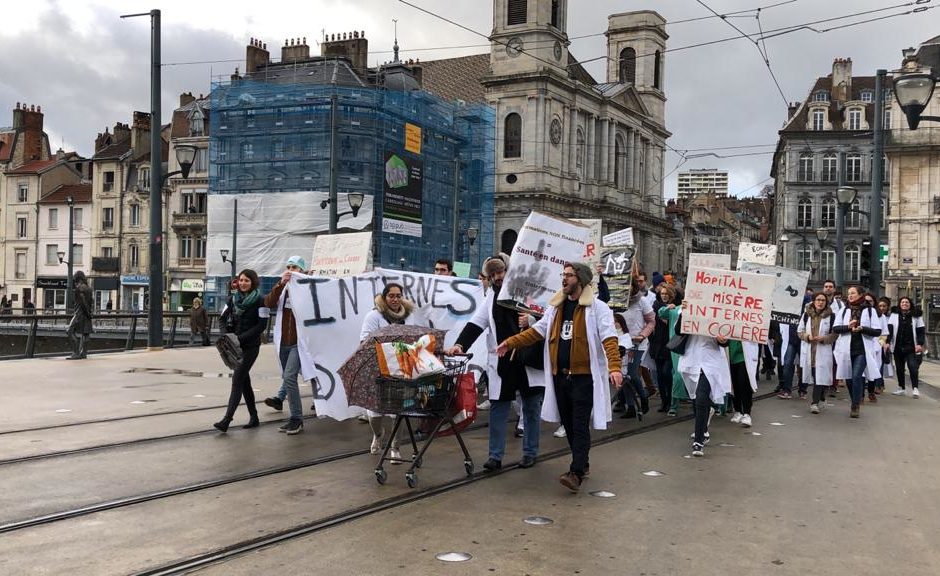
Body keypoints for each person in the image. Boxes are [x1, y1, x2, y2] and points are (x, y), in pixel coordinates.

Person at [496, 262, 623, 493]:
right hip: (559, 377)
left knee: (579, 424)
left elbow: (609, 339)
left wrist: (615, 367)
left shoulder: (598, 308)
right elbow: (537, 331)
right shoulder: (555, 307)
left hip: (584, 378)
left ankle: (575, 473)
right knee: (568, 423)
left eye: (569, 275)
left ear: (581, 280)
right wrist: (510, 342)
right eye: (563, 275)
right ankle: (582, 463)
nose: (564, 279)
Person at [445, 254, 545, 471]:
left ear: (508, 271)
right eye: (492, 274)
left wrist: (531, 319)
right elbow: (476, 323)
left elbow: (548, 316)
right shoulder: (491, 297)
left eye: (500, 272)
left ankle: (530, 452)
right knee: (498, 407)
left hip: (527, 359)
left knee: (530, 407)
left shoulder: (529, 290)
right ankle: (495, 456)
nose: (497, 277)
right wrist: (460, 345)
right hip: (503, 361)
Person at [360, 283, 415, 461]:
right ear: (384, 298)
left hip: (400, 369)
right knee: (375, 412)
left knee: (397, 410)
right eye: (391, 296)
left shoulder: (407, 316)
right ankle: (378, 434)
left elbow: (414, 338)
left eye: (398, 295)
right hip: (378, 368)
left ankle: (395, 448)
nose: (395, 299)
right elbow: (365, 339)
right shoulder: (374, 315)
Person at [675, 304, 732, 457]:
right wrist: (685, 313)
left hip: (710, 361)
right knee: (695, 397)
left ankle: (698, 441)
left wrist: (722, 339)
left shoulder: (721, 312)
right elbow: (678, 331)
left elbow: (726, 342)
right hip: (691, 360)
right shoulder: (687, 309)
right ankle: (704, 429)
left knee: (701, 397)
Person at [214, 269, 265, 432]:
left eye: (247, 281)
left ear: (253, 282)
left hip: (250, 347)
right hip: (234, 347)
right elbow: (221, 319)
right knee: (244, 382)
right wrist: (225, 336)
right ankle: (254, 417)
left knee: (237, 379)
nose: (243, 283)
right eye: (241, 280)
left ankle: (226, 420)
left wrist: (240, 339)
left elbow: (262, 325)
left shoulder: (261, 301)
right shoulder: (233, 299)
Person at [261, 256, 307, 435]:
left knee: (289, 377)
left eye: (294, 267)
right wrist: (280, 284)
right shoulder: (284, 289)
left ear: (301, 270)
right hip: (283, 342)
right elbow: (269, 303)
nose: (290, 269)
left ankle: (297, 419)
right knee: (289, 378)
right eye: (288, 266)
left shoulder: (306, 288)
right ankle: (293, 417)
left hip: (298, 343)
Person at [832, 285, 882, 418]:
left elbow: (877, 331)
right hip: (846, 349)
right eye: (848, 293)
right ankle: (855, 398)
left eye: (853, 293)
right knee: (848, 378)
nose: (850, 296)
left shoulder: (870, 311)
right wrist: (848, 327)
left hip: (862, 349)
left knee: (856, 376)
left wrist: (862, 329)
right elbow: (836, 328)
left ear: (860, 295)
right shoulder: (843, 310)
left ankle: (855, 405)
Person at [614, 277, 653, 419]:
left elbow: (651, 321)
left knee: (632, 373)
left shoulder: (642, 301)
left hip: (637, 343)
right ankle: (630, 407)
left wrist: (642, 335)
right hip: (622, 341)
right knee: (624, 375)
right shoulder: (616, 301)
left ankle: (643, 397)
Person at [798, 292, 837, 414]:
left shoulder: (831, 316)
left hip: (823, 349)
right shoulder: (806, 315)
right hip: (810, 349)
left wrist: (824, 339)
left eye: (823, 300)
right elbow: (799, 331)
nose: (820, 302)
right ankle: (818, 398)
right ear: (813, 301)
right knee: (815, 376)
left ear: (826, 303)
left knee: (821, 376)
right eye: (818, 300)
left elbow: (835, 334)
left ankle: (814, 403)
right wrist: (807, 337)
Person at [656, 284, 687, 416]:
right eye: (661, 294)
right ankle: (673, 404)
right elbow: (661, 313)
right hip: (674, 347)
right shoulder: (675, 310)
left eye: (666, 294)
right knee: (676, 375)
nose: (663, 296)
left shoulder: (685, 309)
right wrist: (669, 307)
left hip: (690, 346)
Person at [889, 296, 925, 398]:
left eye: (907, 302)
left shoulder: (916, 316)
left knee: (913, 367)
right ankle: (901, 388)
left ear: (910, 304)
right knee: (899, 369)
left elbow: (920, 331)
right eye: (902, 302)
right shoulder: (894, 315)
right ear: (899, 304)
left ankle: (915, 388)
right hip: (897, 346)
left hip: (911, 347)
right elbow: (890, 330)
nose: (904, 304)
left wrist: (920, 344)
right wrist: (887, 342)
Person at [728, 338, 759, 428]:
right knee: (734, 384)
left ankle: (747, 413)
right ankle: (738, 411)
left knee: (744, 383)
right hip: (730, 353)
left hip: (744, 355)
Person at [66, 271, 94, 359]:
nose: (75, 283)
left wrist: (86, 312)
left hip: (79, 314)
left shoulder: (79, 289)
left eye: (76, 280)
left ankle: (76, 352)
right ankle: (84, 353)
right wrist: (89, 313)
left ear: (79, 279)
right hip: (87, 314)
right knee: (86, 334)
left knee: (70, 331)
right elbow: (91, 302)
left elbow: (82, 303)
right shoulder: (89, 289)